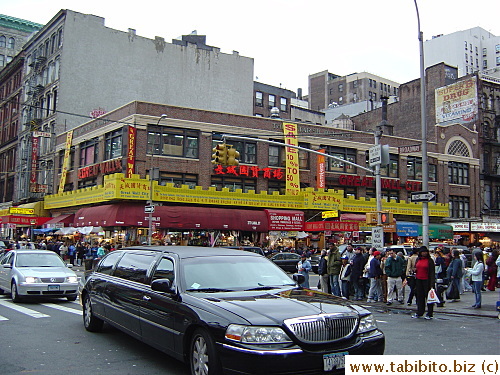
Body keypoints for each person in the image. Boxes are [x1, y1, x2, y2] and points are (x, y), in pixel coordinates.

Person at [411, 246, 436, 320]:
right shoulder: (418, 259)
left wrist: (432, 284)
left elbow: (432, 272)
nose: (424, 253)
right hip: (419, 280)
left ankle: (429, 313)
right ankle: (420, 312)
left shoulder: (430, 260)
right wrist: (414, 270)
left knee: (428, 297)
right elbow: (416, 268)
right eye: (422, 252)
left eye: (425, 252)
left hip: (427, 280)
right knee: (419, 297)